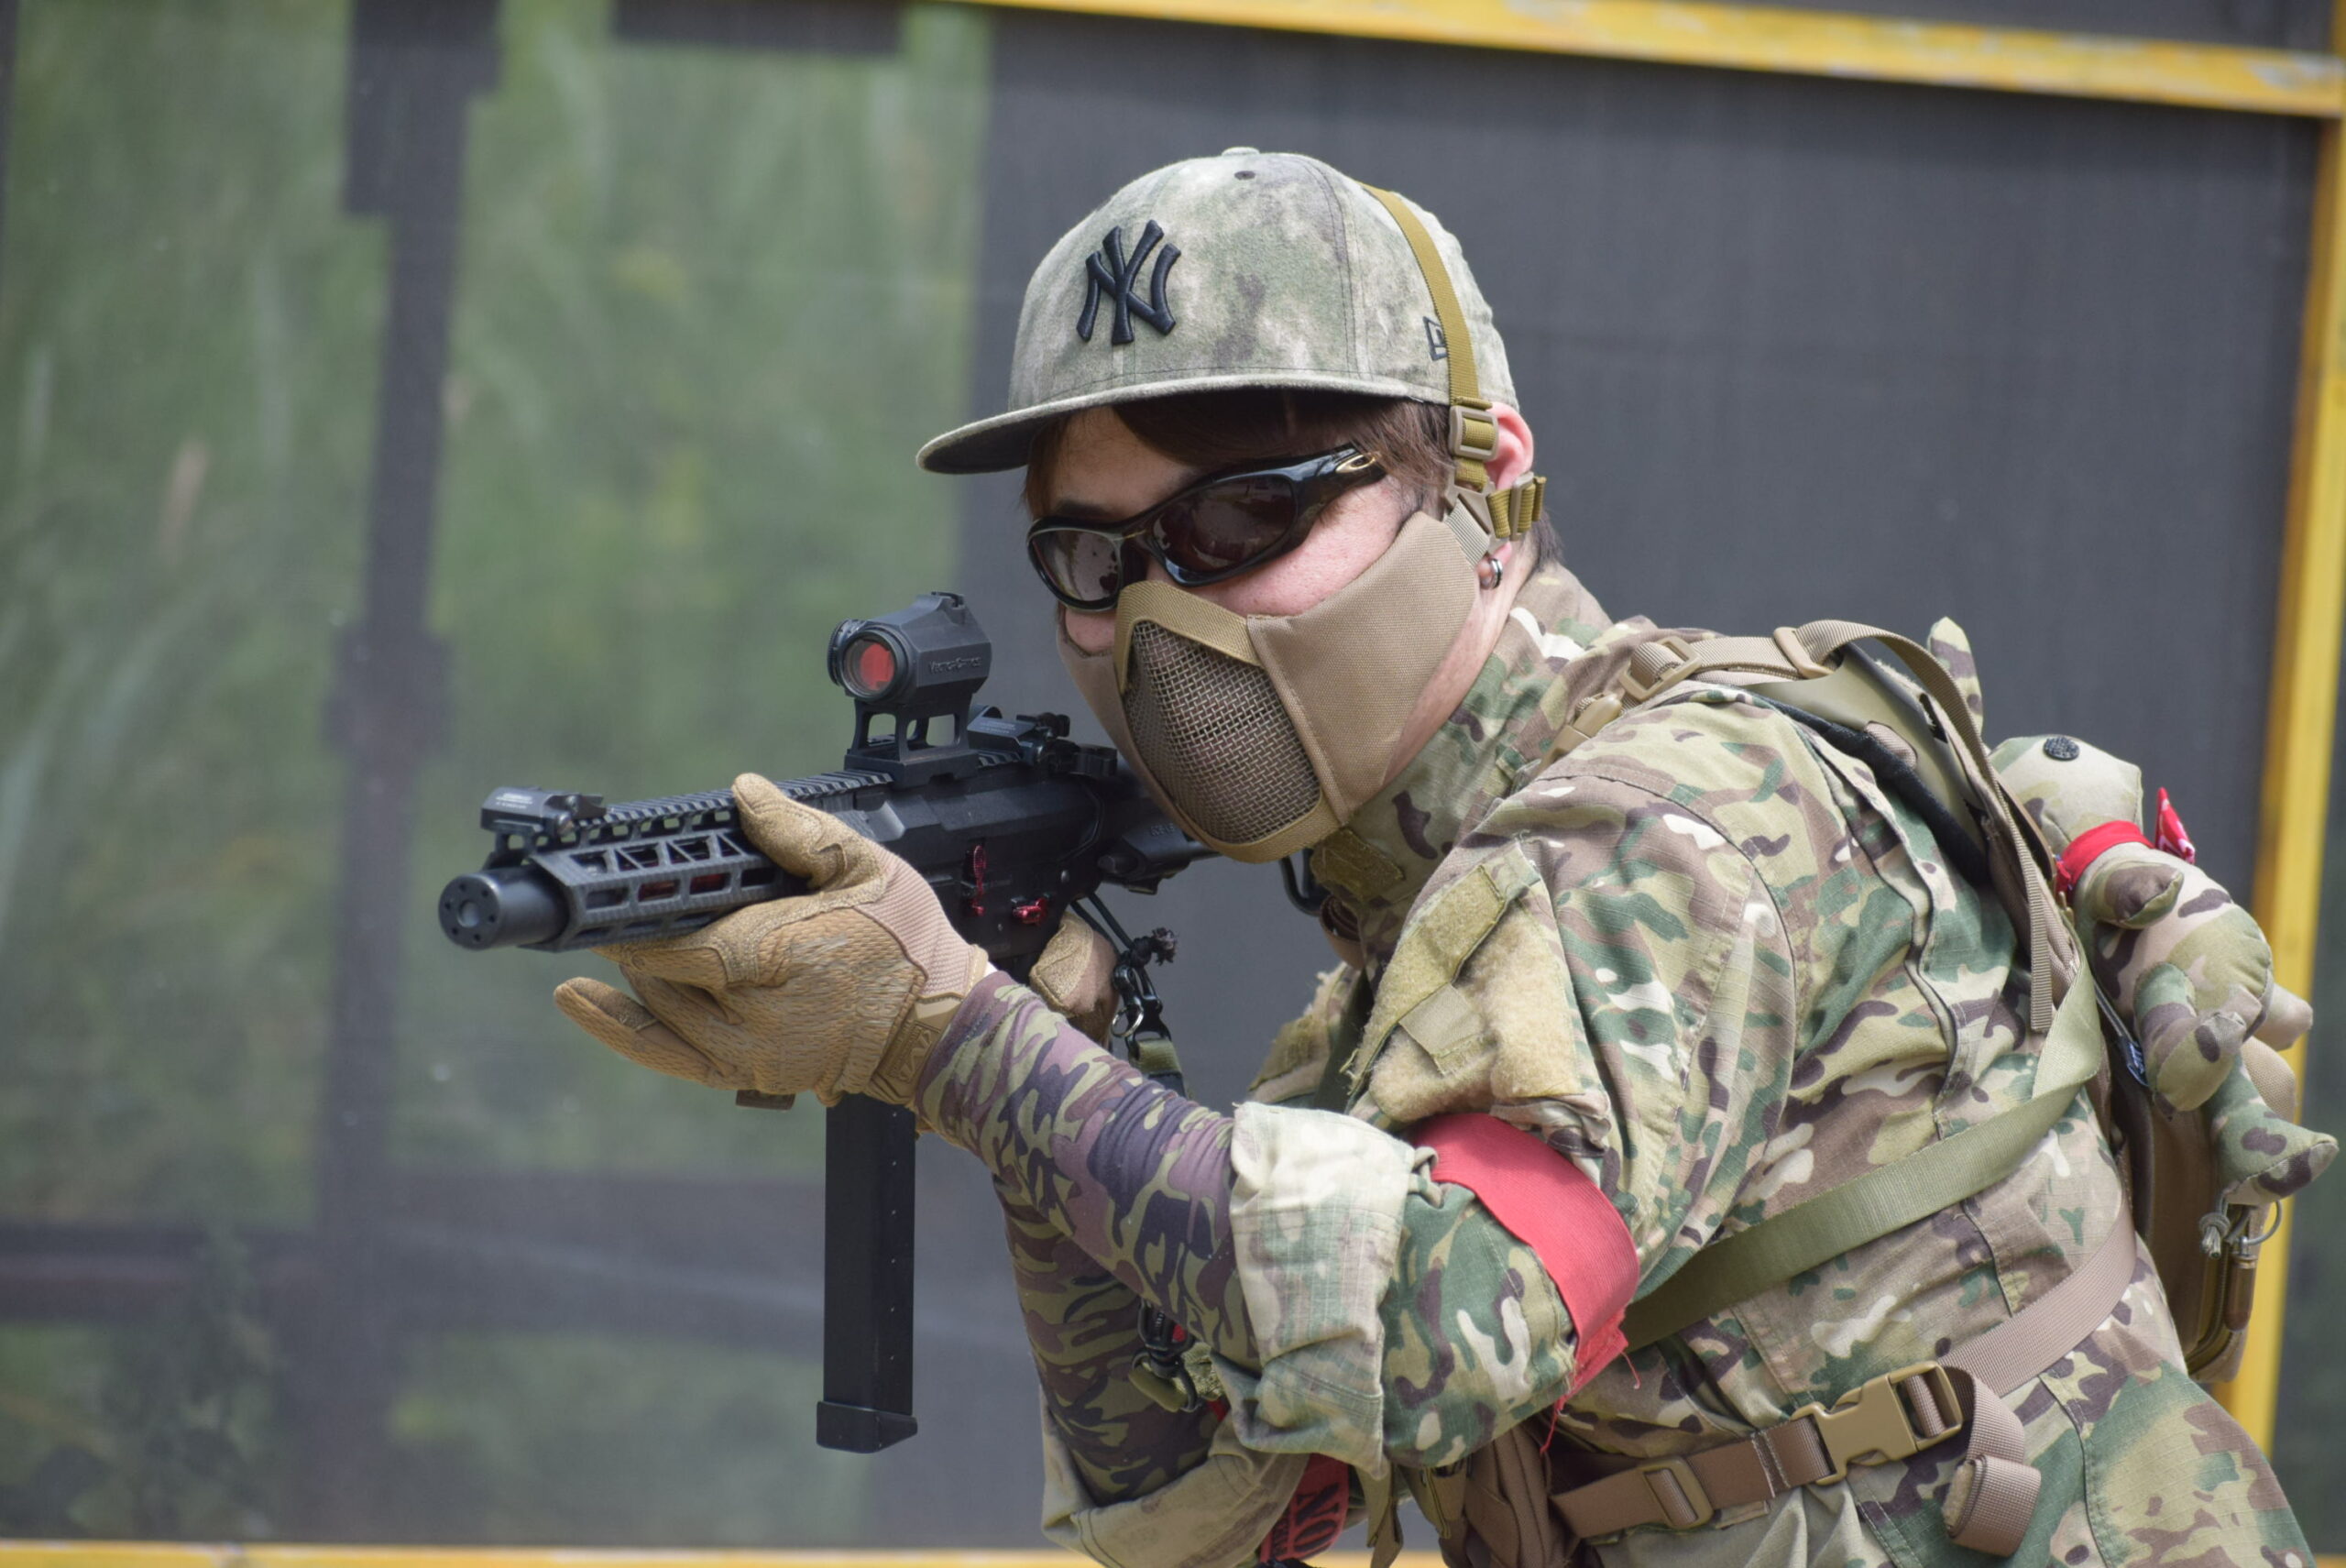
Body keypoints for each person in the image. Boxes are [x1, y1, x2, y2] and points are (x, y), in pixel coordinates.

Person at [551, 150, 2327, 1566]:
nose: (1158, 614)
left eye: (1242, 515)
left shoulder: (1663, 824)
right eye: (1091, 558)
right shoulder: (1409, 967)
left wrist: (953, 1043)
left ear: (1480, 482)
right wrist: (1048, 1066)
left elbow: (1438, 1325)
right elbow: (1201, 1519)